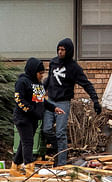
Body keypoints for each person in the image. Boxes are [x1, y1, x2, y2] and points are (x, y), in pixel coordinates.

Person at [43, 38, 102, 166]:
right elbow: (48, 80)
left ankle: (62, 163)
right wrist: (39, 92)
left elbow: (86, 84)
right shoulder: (53, 62)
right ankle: (59, 150)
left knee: (60, 132)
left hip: (63, 102)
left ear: (68, 51)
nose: (60, 52)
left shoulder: (74, 68)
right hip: (50, 101)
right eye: (58, 49)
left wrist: (95, 100)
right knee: (46, 129)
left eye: (63, 50)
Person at [11, 57, 64, 177]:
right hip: (23, 118)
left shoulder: (38, 84)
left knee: (23, 143)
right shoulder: (22, 82)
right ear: (33, 71)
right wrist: (31, 110)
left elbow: (41, 101)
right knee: (28, 142)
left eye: (43, 73)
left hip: (34, 118)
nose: (42, 76)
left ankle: (15, 167)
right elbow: (19, 100)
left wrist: (54, 108)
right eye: (40, 73)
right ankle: (29, 168)